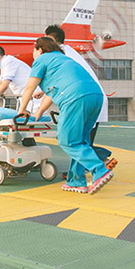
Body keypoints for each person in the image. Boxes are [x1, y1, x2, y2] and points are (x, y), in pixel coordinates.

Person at [18, 37, 113, 194]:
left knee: (67, 140)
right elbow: (52, 91)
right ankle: (76, 180)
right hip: (96, 97)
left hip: (75, 97)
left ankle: (99, 170)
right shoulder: (64, 60)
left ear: (40, 49)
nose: (33, 54)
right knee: (81, 141)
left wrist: (22, 110)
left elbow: (29, 88)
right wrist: (39, 112)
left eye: (34, 51)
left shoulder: (42, 60)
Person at [44, 24, 116, 171]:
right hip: (94, 98)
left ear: (53, 40)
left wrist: (39, 111)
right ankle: (76, 173)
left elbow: (59, 83)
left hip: (85, 99)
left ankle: (103, 160)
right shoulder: (69, 52)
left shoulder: (61, 55)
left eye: (47, 40)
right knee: (81, 141)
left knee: (73, 140)